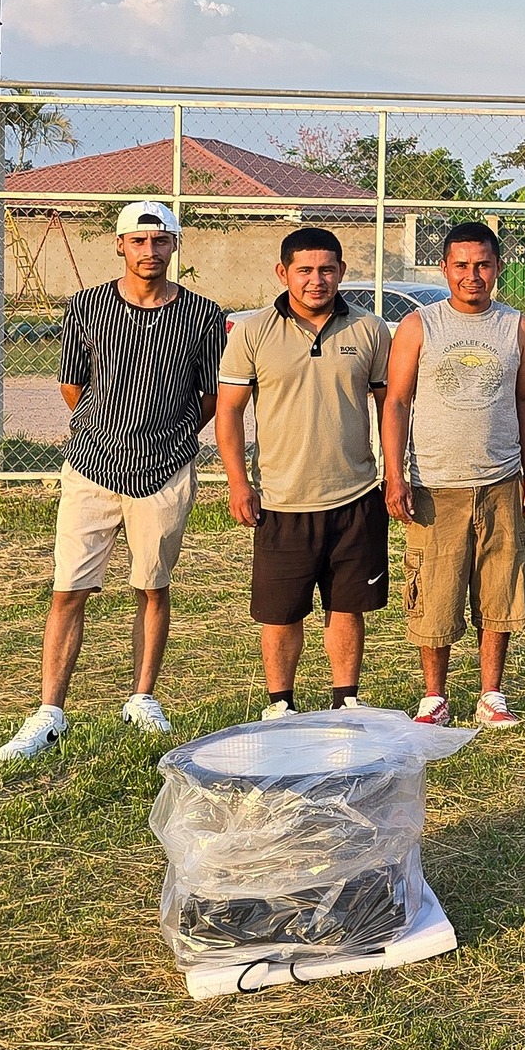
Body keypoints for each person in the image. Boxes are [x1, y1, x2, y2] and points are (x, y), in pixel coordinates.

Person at [0, 201, 224, 762]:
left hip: (166, 470)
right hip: (91, 467)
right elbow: (72, 385)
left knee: (151, 585)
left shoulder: (203, 314)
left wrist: (165, 438)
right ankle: (50, 711)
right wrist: (106, 432)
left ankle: (142, 698)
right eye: (138, 241)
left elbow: (210, 395)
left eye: (160, 240)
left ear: (174, 245)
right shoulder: (88, 305)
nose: (150, 251)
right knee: (69, 588)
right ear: (119, 245)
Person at [215, 227, 393, 718]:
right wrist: (238, 482)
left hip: (355, 493)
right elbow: (228, 411)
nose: (317, 280)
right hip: (281, 498)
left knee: (347, 606)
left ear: (341, 271)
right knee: (280, 611)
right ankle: (280, 703)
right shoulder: (251, 331)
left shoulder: (370, 330)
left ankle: (346, 699)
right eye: (306, 270)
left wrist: (391, 473)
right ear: (283, 272)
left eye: (328, 269)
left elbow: (389, 406)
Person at [381, 220, 525, 731]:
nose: (473, 275)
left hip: (501, 481)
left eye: (483, 265)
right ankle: (435, 696)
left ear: (498, 268)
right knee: (436, 588)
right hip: (435, 483)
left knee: (500, 587)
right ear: (445, 268)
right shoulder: (419, 326)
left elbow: (524, 399)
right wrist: (395, 473)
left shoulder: (518, 327)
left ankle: (491, 693)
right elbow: (397, 400)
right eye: (462, 265)